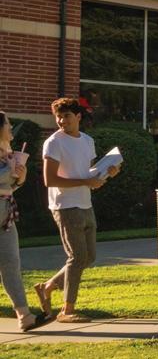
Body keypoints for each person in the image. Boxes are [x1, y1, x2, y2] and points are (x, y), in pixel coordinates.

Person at [35, 97, 120, 324]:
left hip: (85, 203)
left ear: (78, 117)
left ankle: (48, 287)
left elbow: (86, 173)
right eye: (59, 117)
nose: (62, 121)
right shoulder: (53, 142)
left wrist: (105, 173)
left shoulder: (87, 141)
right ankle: (67, 310)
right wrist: (86, 181)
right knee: (77, 257)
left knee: (89, 257)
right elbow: (49, 179)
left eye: (67, 116)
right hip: (65, 206)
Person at [1, 111, 52, 331]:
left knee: (11, 264)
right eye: (8, 124)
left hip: (6, 215)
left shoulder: (7, 155)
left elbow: (9, 188)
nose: (11, 128)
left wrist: (19, 178)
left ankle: (25, 316)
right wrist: (9, 171)